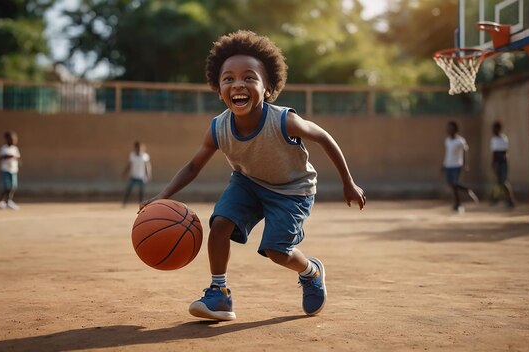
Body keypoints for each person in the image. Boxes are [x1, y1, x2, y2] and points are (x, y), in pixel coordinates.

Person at [141, 30, 365, 321]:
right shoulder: (218, 128)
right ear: (219, 89)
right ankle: (219, 295)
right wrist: (162, 196)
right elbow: (193, 166)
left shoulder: (285, 120)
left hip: (292, 191)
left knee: (276, 250)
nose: (239, 84)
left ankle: (311, 271)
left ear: (268, 87)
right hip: (248, 182)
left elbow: (324, 138)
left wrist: (348, 182)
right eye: (229, 78)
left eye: (249, 77)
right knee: (219, 225)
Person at [442, 121, 479, 213]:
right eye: (448, 128)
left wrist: (466, 164)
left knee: (454, 183)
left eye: (451, 128)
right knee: (451, 184)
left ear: (455, 129)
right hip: (448, 165)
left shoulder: (460, 141)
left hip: (457, 165)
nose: (449, 130)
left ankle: (467, 190)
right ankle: (457, 203)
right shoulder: (447, 140)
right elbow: (447, 153)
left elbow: (466, 151)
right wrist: (443, 164)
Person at [490, 121, 516, 208]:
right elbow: (494, 153)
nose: (493, 130)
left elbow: (504, 152)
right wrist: (494, 163)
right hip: (497, 162)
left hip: (502, 163)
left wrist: (501, 160)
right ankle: (504, 199)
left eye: (494, 128)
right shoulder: (493, 139)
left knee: (503, 182)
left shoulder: (504, 138)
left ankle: (500, 198)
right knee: (500, 182)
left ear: (498, 129)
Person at [122, 141, 152, 207]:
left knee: (142, 192)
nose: (139, 149)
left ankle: (141, 204)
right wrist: (124, 172)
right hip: (134, 176)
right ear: (135, 148)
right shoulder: (132, 155)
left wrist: (148, 174)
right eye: (137, 148)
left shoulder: (145, 156)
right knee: (128, 190)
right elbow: (129, 165)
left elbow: (147, 166)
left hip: (142, 177)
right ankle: (124, 203)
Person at [0, 131, 21, 210]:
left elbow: (17, 157)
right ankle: (1, 201)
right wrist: (7, 156)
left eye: (14, 139)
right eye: (11, 139)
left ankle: (9, 201)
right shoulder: (3, 148)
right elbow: (0, 157)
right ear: (7, 140)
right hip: (5, 170)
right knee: (6, 187)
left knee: (13, 186)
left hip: (13, 170)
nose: (13, 141)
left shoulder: (15, 149)